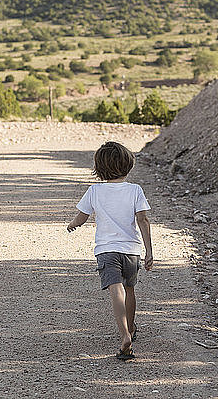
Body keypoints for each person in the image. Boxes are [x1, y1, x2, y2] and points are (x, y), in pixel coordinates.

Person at [67, 141, 153, 360]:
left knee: (116, 290)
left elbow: (82, 215)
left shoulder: (94, 190)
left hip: (106, 250)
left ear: (100, 168)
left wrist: (73, 224)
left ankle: (124, 335)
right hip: (131, 250)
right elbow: (143, 219)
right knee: (130, 289)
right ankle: (131, 329)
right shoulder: (135, 190)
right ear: (128, 164)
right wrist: (149, 251)